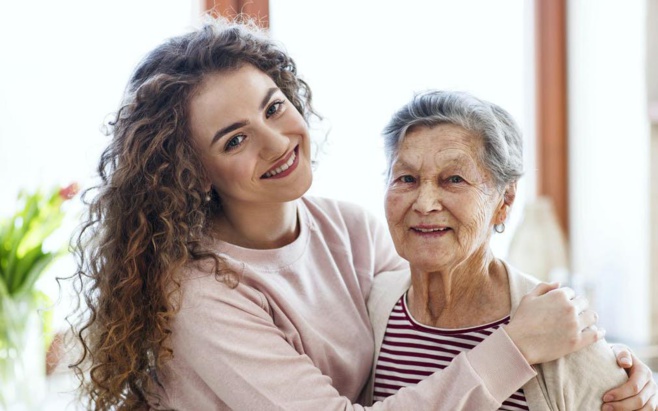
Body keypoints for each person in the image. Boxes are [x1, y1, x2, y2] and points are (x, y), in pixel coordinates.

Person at [67, 17, 655, 410]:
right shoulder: (198, 292)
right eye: (234, 140)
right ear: (193, 172)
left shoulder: (347, 228)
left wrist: (615, 369)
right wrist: (517, 346)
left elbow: (431, 318)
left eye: (275, 107)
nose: (277, 142)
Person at [365, 89, 658, 410]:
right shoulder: (372, 306)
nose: (424, 203)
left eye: (454, 179)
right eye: (406, 178)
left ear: (504, 201)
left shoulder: (561, 330)